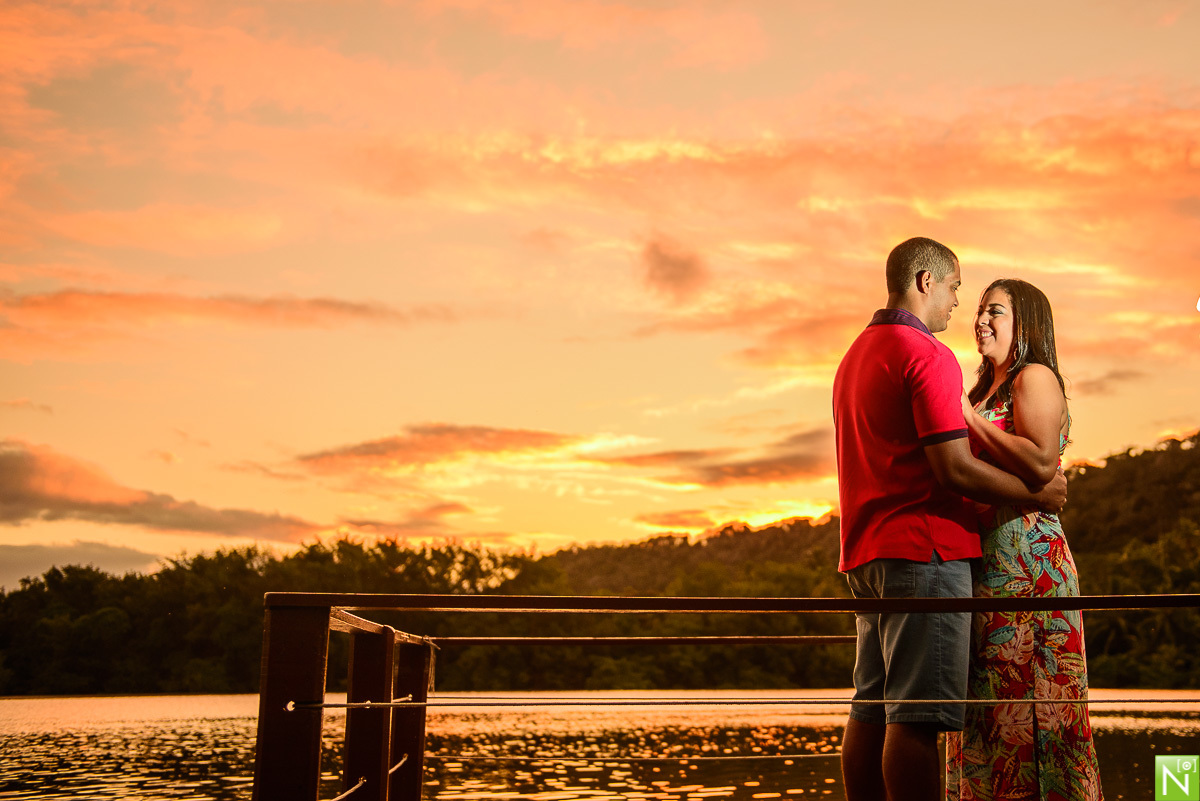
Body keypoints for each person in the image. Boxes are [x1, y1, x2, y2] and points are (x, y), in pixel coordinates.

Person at [832, 238, 1068, 801]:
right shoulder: (928, 354)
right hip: (925, 551)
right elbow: (953, 468)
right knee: (913, 719)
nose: (959, 305)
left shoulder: (855, 356)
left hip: (867, 552)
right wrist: (1038, 495)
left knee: (871, 706)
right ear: (925, 281)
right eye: (957, 288)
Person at [944, 279, 1103, 800]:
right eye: (979, 311)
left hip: (1031, 566)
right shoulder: (975, 391)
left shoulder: (1032, 377)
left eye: (996, 311)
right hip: (982, 570)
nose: (981, 320)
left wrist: (968, 421)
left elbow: (1040, 461)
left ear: (1026, 323)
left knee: (1040, 710)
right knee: (989, 712)